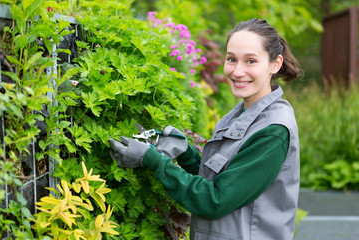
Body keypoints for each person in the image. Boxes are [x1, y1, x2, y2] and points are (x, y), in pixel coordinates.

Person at [109, 18, 302, 240]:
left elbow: (215, 200)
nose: (237, 71)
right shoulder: (242, 114)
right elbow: (224, 181)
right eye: (232, 59)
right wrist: (187, 154)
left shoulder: (272, 130)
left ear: (275, 64)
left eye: (250, 61)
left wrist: (152, 159)